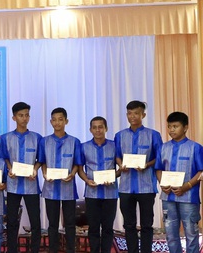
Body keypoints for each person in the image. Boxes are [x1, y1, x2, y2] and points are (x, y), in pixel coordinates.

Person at [115, 100, 161, 253]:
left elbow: (159, 157)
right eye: (129, 113)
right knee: (129, 224)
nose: (132, 116)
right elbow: (117, 156)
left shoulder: (153, 135)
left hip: (146, 185)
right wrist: (121, 164)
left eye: (136, 113)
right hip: (126, 187)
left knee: (147, 225)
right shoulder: (119, 135)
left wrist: (147, 165)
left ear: (143, 114)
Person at [155, 112, 203, 253]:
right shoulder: (163, 148)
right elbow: (158, 169)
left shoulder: (195, 148)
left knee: (191, 233)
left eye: (175, 126)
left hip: (189, 198)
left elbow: (201, 172)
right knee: (170, 234)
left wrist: (186, 186)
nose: (171, 130)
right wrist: (162, 183)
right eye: (169, 126)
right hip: (168, 197)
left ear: (185, 127)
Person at [37, 107, 83, 253]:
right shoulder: (44, 141)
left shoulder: (74, 141)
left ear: (66, 121)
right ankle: (53, 250)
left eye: (60, 119)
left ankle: (70, 250)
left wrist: (72, 174)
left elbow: (77, 163)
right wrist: (44, 174)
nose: (57, 122)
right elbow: (42, 161)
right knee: (52, 224)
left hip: (68, 187)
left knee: (70, 224)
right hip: (50, 189)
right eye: (54, 120)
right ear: (51, 122)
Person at [0, 102, 42, 253]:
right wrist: (9, 169)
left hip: (31, 186)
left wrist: (35, 170)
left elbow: (40, 160)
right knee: (11, 222)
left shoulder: (37, 138)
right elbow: (3, 158)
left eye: (26, 115)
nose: (24, 118)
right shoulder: (5, 138)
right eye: (20, 115)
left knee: (36, 222)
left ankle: (35, 250)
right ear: (14, 117)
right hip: (13, 185)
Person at [77, 116, 118, 253]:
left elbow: (121, 168)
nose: (98, 130)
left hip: (110, 193)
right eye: (94, 127)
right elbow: (80, 169)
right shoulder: (84, 147)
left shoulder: (114, 146)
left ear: (106, 128)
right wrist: (87, 181)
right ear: (90, 130)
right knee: (93, 228)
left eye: (100, 127)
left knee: (107, 228)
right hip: (92, 193)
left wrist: (113, 177)